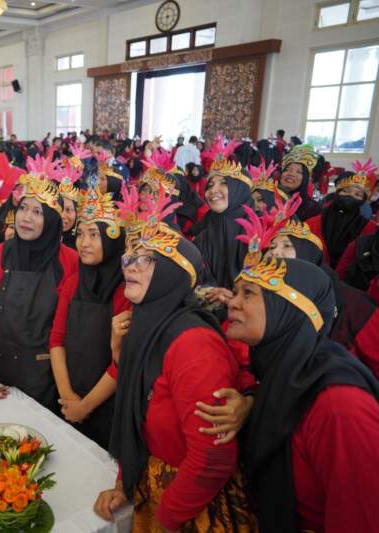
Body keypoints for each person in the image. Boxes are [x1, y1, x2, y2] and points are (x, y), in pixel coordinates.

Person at [96, 185, 256, 531]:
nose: (130, 265)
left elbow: (212, 458)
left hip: (192, 507)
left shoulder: (194, 345)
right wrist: (125, 484)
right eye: (130, 256)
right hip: (154, 486)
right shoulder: (143, 326)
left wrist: (166, 518)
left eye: (146, 258)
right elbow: (136, 416)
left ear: (172, 273)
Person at [225, 232, 379, 532]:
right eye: (235, 292)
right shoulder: (282, 374)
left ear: (288, 310)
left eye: (248, 294)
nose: (232, 303)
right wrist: (253, 401)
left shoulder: (340, 407)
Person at [0, 168, 78, 412]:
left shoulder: (70, 262)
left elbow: (67, 329)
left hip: (49, 377)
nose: (26, 218)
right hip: (0, 370)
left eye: (37, 212)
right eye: (23, 208)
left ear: (52, 220)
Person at [48, 185, 128, 447]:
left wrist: (85, 406)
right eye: (80, 234)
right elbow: (56, 340)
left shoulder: (126, 291)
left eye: (94, 235)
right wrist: (67, 395)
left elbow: (122, 361)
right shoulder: (73, 283)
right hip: (68, 397)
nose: (83, 243)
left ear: (112, 239)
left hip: (107, 405)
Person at [263, 201, 379, 378]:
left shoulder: (359, 308)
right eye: (271, 247)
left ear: (308, 254)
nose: (275, 253)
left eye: (287, 246)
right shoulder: (265, 294)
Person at [194, 136, 253, 289]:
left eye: (224, 183)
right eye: (209, 185)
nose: (212, 190)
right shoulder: (202, 235)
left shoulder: (259, 236)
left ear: (239, 190)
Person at [306, 161, 377, 269]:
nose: (350, 195)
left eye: (357, 194)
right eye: (346, 191)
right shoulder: (312, 223)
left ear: (362, 201)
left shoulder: (370, 228)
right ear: (337, 193)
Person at [278, 144, 321, 220]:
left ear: (305, 179)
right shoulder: (267, 198)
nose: (291, 174)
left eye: (299, 172)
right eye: (287, 169)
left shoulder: (312, 209)